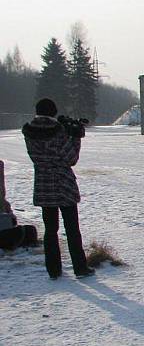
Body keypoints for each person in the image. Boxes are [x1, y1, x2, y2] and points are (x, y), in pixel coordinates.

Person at [22, 99, 94, 279]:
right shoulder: (59, 131)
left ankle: (53, 270)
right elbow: (71, 159)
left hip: (43, 185)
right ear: (53, 112)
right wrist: (75, 137)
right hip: (63, 185)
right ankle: (80, 267)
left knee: (50, 230)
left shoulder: (29, 132)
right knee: (72, 229)